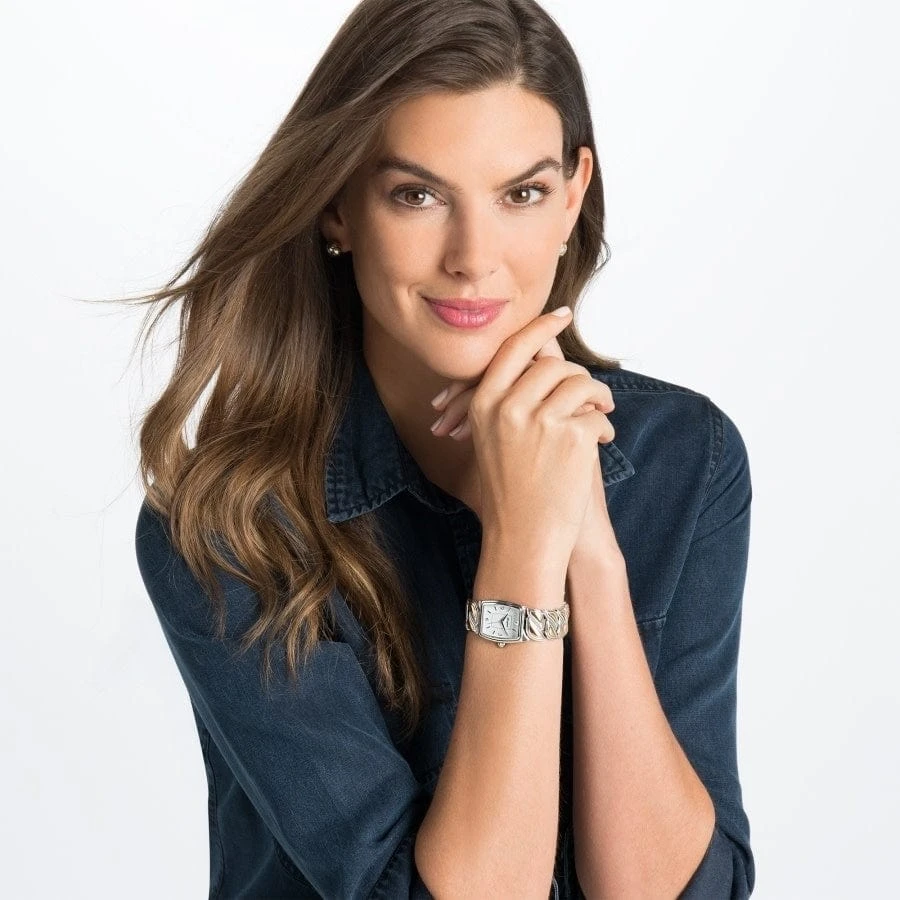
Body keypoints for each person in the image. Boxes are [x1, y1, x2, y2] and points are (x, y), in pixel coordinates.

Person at [131, 0, 755, 897]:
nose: (473, 256)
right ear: (337, 206)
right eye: (417, 195)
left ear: (573, 195)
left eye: (521, 194)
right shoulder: (232, 529)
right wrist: (523, 546)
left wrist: (588, 543)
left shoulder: (685, 460)